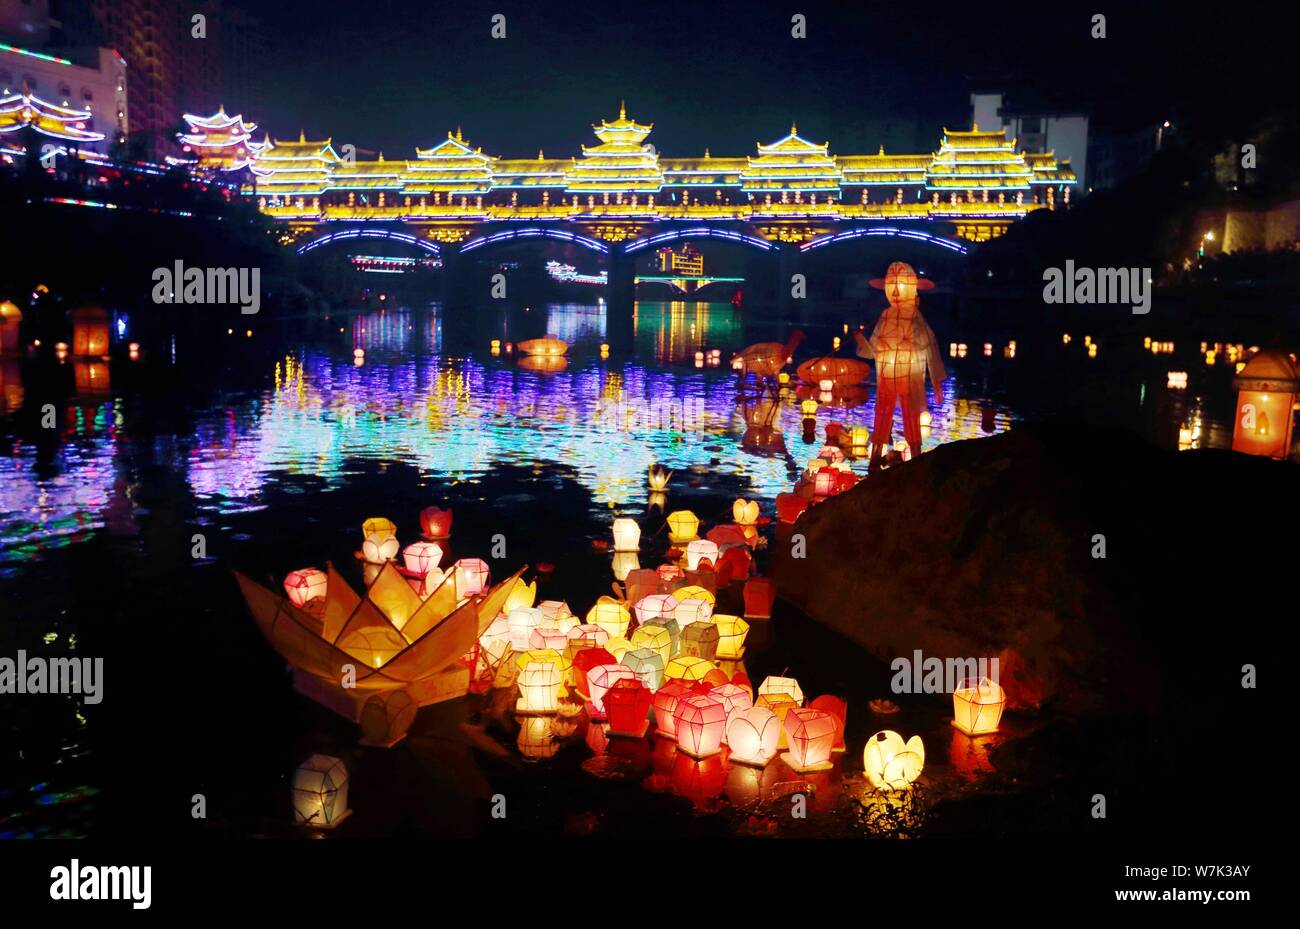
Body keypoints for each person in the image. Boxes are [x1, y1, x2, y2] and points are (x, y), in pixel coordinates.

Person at [854, 261, 947, 469]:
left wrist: (937, 381)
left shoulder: (915, 316)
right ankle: (875, 458)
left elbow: (930, 345)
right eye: (891, 285)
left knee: (911, 413)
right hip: (886, 374)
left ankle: (915, 457)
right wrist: (861, 340)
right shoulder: (885, 316)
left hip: (909, 374)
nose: (896, 292)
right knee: (882, 413)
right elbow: (873, 351)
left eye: (901, 286)